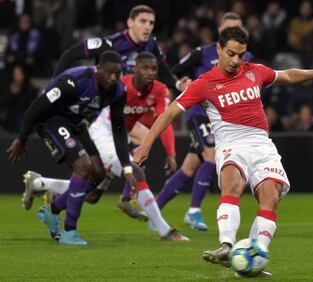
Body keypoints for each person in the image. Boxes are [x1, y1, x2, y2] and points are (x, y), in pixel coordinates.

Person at [134, 26, 313, 275]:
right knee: (231, 183)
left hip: (262, 145)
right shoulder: (203, 85)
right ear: (218, 49)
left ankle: (254, 256)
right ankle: (226, 245)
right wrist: (146, 145)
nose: (236, 60)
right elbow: (170, 113)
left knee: (271, 197)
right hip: (231, 144)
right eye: (231, 53)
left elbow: (288, 75)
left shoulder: (254, 71)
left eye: (241, 55)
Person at [21, 52, 188, 241]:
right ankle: (164, 230)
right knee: (136, 173)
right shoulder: (118, 83)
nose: (150, 72)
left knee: (92, 195)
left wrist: (171, 152)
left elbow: (164, 120)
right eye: (145, 68)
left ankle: (39, 184)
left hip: (119, 136)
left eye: (154, 68)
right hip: (101, 134)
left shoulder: (159, 90)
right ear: (134, 69)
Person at [7, 51, 135, 246]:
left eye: (118, 73)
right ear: (98, 69)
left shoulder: (118, 91)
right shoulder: (75, 81)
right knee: (83, 167)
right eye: (109, 73)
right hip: (49, 120)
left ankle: (52, 210)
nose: (113, 78)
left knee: (99, 174)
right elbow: (38, 106)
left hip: (75, 123)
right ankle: (69, 231)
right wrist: (22, 138)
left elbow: (119, 129)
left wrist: (126, 166)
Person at [155, 12, 252, 231]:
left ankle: (154, 209)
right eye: (229, 28)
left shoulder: (247, 56)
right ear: (220, 31)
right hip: (200, 112)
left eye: (238, 28)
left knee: (189, 167)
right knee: (211, 153)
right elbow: (174, 71)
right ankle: (194, 211)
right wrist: (182, 83)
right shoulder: (202, 52)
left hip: (224, 117)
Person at [53, 5, 190, 91]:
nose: (148, 26)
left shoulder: (151, 44)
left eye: (151, 23)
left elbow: (164, 72)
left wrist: (178, 84)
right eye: (143, 21)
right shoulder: (111, 43)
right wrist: (53, 85)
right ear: (130, 23)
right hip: (106, 102)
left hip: (133, 102)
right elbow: (69, 55)